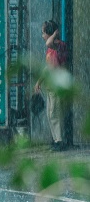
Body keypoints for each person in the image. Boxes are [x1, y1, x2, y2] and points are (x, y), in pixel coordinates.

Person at [35, 20, 69, 151]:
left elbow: (48, 42)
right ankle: (56, 140)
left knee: (55, 113)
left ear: (50, 33)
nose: (42, 35)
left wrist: (54, 34)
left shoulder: (60, 46)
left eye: (43, 32)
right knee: (50, 114)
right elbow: (47, 68)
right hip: (50, 86)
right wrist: (39, 82)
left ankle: (60, 141)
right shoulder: (50, 49)